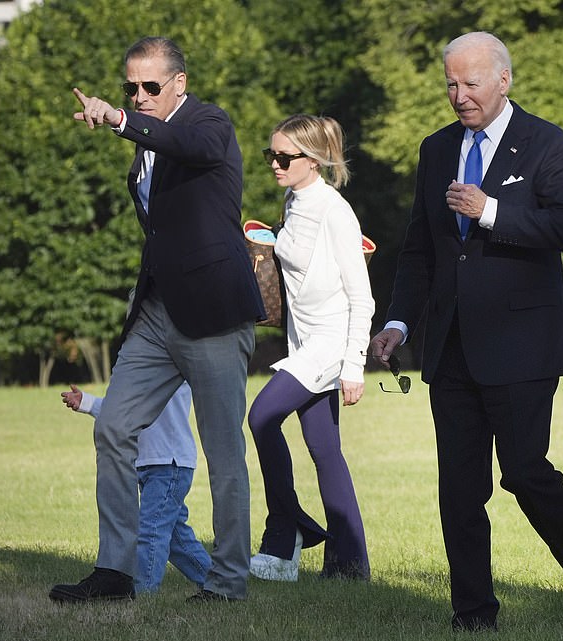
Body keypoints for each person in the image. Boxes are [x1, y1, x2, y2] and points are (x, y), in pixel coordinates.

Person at [369, 32, 563, 632]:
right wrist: (399, 320)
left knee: (526, 473)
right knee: (459, 489)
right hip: (451, 347)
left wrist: (488, 210)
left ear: (503, 80)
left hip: (521, 344)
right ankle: (474, 613)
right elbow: (418, 247)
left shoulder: (549, 145)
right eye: (451, 85)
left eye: (471, 83)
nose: (460, 96)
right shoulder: (435, 150)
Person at [51, 36, 264, 603]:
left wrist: (121, 118)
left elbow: (185, 145)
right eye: (131, 88)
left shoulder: (209, 124)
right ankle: (116, 574)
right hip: (156, 314)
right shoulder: (146, 142)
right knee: (113, 427)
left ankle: (227, 583)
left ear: (179, 84)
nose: (140, 96)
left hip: (213, 312)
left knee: (223, 454)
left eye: (150, 86)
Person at [246, 114, 375, 582]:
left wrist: (354, 365)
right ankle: (350, 564)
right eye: (270, 155)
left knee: (260, 417)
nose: (275, 164)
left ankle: (287, 528)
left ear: (314, 159)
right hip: (301, 341)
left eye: (284, 157)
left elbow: (362, 296)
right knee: (324, 449)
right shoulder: (293, 200)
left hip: (327, 345)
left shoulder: (334, 211)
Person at [60, 382, 211, 594]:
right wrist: (87, 402)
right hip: (148, 462)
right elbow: (122, 411)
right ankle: (215, 582)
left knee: (151, 531)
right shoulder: (140, 366)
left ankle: (142, 593)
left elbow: (141, 405)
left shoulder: (175, 363)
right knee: (176, 537)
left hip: (170, 462)